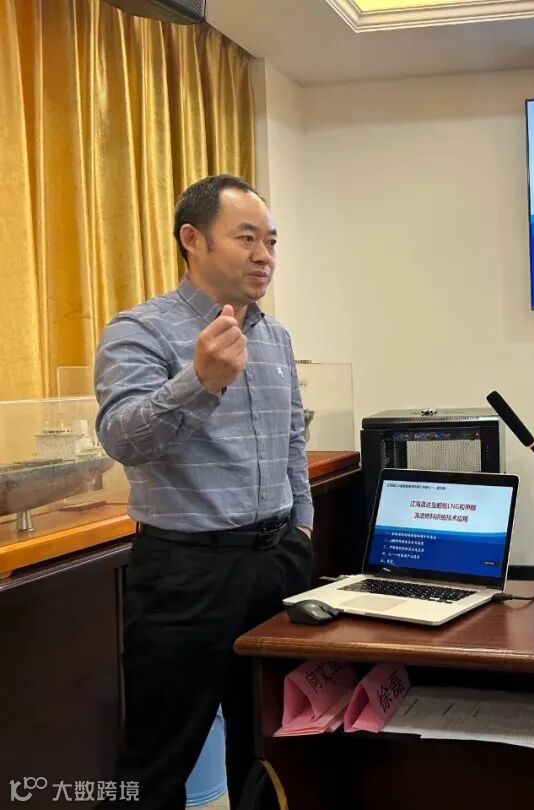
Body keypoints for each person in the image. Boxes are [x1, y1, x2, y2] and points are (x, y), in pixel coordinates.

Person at [94, 174, 314, 810]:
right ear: (193, 239)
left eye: (271, 241)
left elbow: (292, 442)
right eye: (246, 238)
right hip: (186, 571)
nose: (264, 256)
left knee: (272, 743)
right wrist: (201, 380)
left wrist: (301, 527)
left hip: (277, 562)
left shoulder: (275, 337)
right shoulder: (139, 330)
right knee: (157, 757)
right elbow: (122, 439)